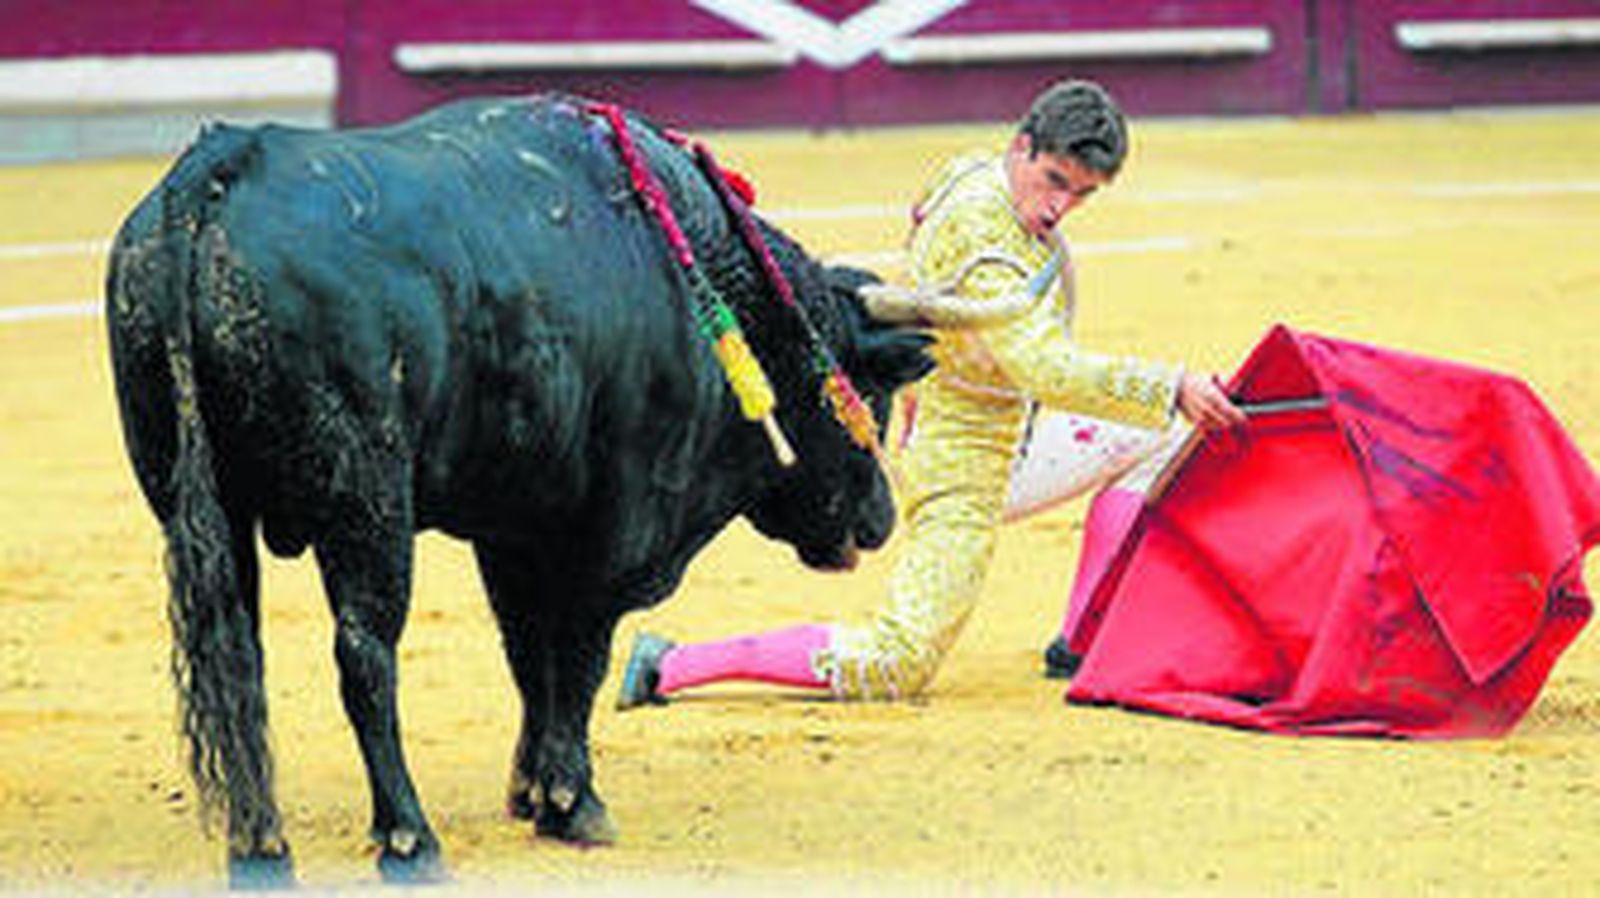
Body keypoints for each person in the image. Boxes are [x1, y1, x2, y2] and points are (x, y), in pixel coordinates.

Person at [615, 79, 1244, 707]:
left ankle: (1082, 640)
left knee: (1171, 430)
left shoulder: (978, 170)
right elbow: (1046, 370)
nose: (1059, 207)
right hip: (960, 456)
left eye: (1082, 193)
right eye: (1054, 180)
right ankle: (671, 664)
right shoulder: (985, 244)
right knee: (899, 662)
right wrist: (1173, 384)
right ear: (1022, 146)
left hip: (1006, 422)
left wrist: (1169, 397)